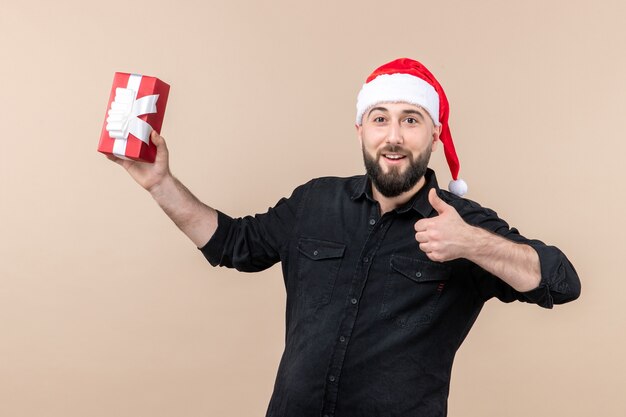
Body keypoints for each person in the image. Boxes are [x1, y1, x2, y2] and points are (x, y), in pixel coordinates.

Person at [107, 58, 581, 417]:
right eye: (380, 118)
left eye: (410, 120)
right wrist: (159, 184)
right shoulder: (314, 203)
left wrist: (473, 244)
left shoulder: (462, 223)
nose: (393, 136)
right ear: (360, 129)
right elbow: (233, 245)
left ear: (434, 134)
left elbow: (561, 281)